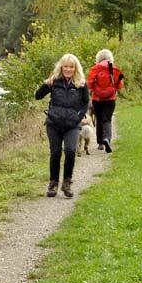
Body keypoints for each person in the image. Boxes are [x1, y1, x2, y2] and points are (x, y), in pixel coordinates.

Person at [35, 54, 89, 198]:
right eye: (65, 66)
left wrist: (77, 118)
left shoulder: (81, 83)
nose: (68, 69)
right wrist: (46, 83)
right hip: (54, 123)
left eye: (71, 67)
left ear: (75, 68)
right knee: (55, 153)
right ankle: (53, 184)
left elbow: (85, 104)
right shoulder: (54, 81)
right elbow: (37, 96)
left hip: (72, 125)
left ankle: (67, 183)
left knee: (70, 151)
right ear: (61, 67)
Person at [87, 49, 124, 153]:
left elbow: (89, 84)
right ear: (110, 58)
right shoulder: (114, 69)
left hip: (97, 99)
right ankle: (106, 138)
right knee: (107, 119)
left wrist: (94, 89)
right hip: (110, 99)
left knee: (99, 120)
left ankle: (100, 143)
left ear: (98, 58)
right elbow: (120, 85)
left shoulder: (94, 69)